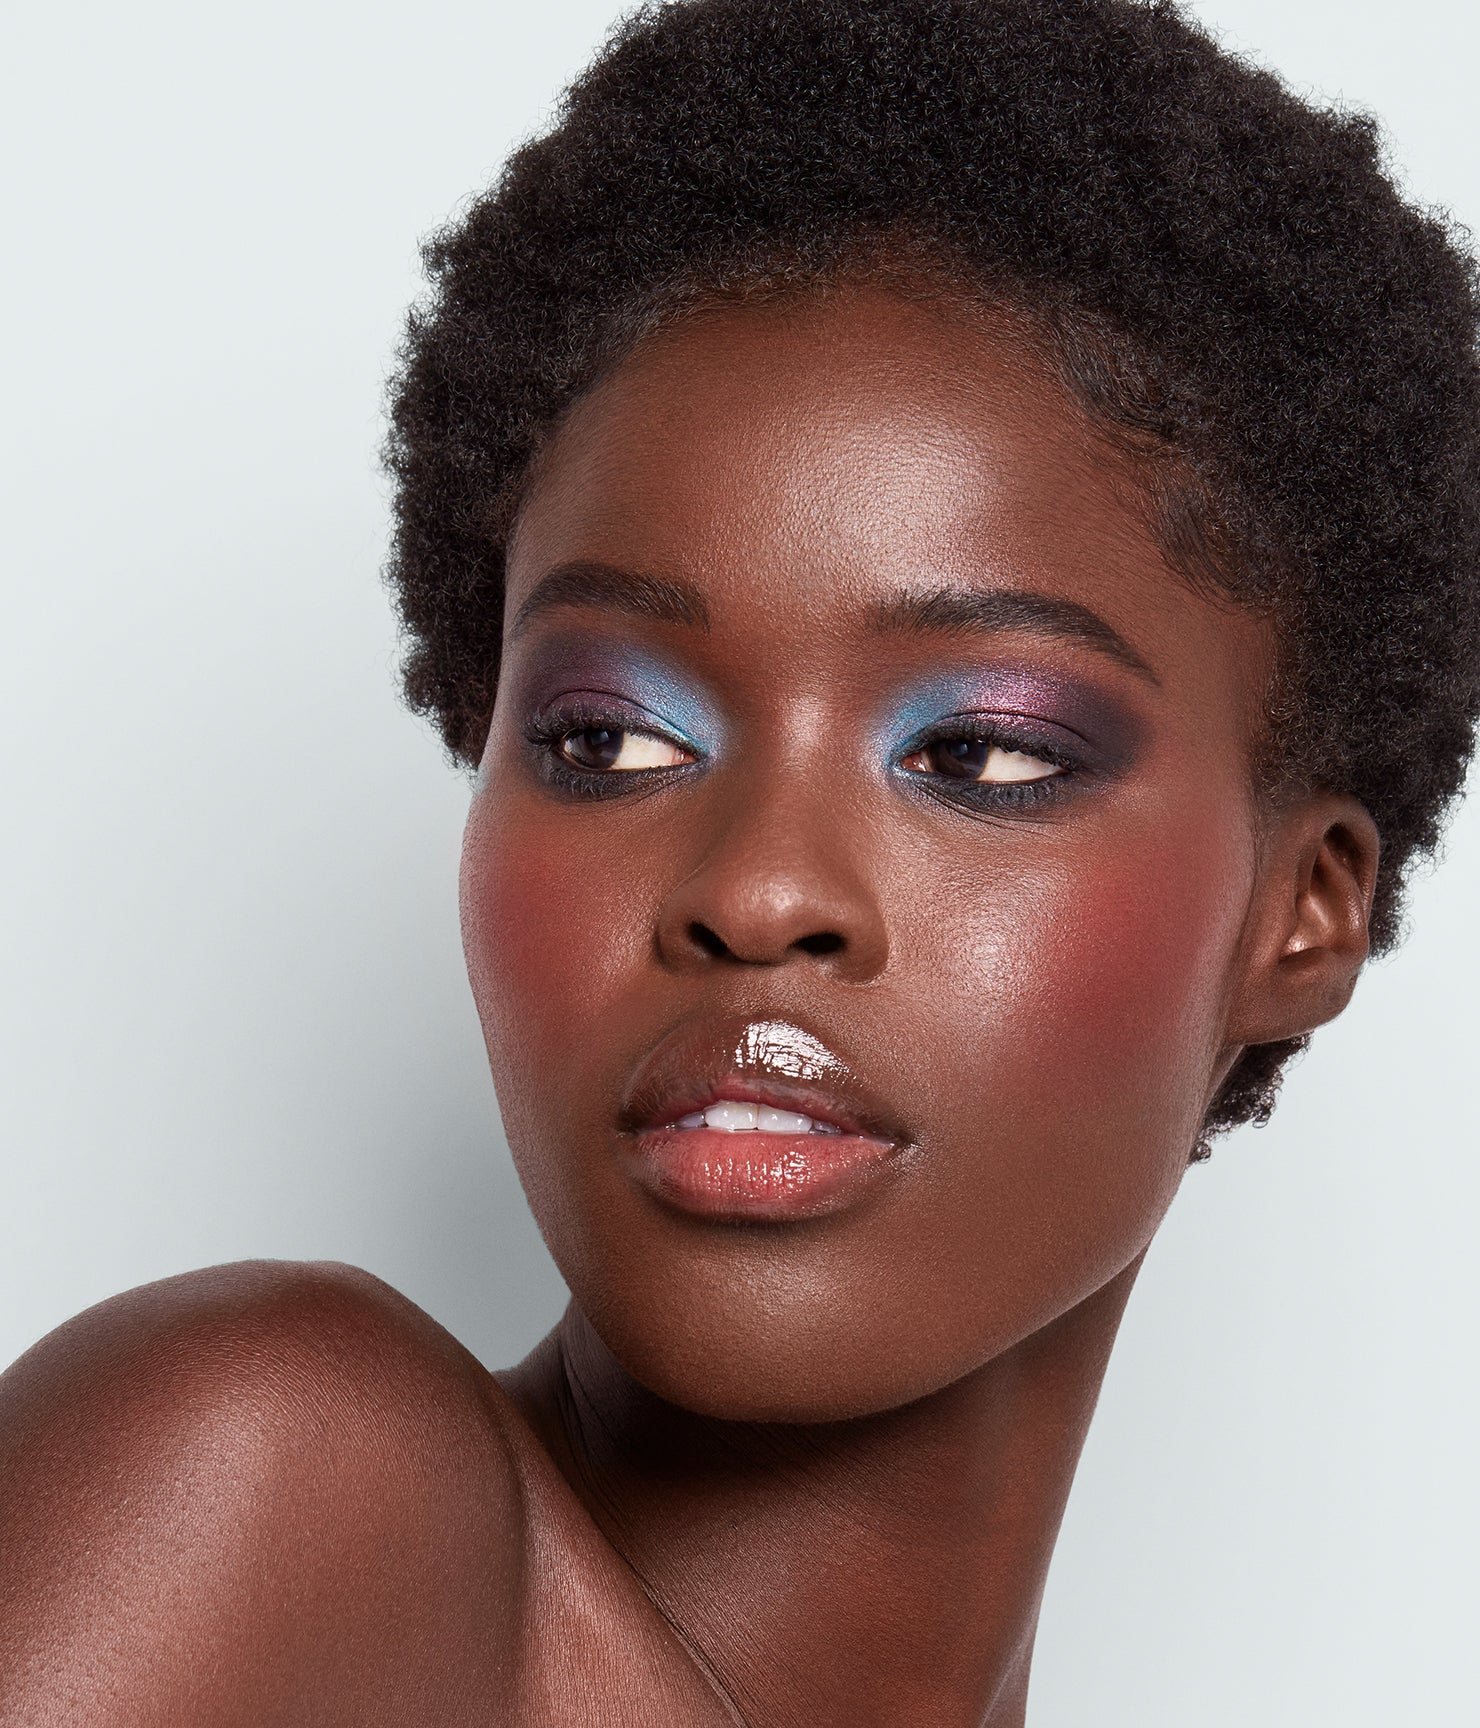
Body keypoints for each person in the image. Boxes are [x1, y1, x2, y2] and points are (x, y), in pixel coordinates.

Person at [2, 0, 1477, 1721]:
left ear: (1304, 913)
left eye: (979, 754)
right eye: (610, 739)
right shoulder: (267, 1495)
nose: (758, 893)